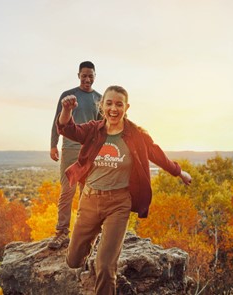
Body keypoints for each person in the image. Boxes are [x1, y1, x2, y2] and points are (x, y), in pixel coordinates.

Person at [56, 85, 192, 295]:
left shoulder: (135, 134)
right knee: (73, 260)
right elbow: (68, 129)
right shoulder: (93, 130)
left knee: (105, 266)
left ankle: (105, 253)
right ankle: (92, 243)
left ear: (126, 107)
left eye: (119, 104)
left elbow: (155, 153)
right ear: (102, 106)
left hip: (118, 204)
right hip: (90, 200)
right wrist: (67, 110)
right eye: (109, 103)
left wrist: (178, 172)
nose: (113, 108)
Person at [49, 61, 102, 250]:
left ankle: (83, 233)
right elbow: (58, 121)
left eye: (91, 75)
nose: (87, 79)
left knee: (86, 193)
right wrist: (53, 145)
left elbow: (102, 128)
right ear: (78, 75)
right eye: (84, 75)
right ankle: (62, 232)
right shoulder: (68, 96)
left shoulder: (100, 98)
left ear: (95, 76)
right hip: (70, 149)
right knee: (67, 191)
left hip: (89, 151)